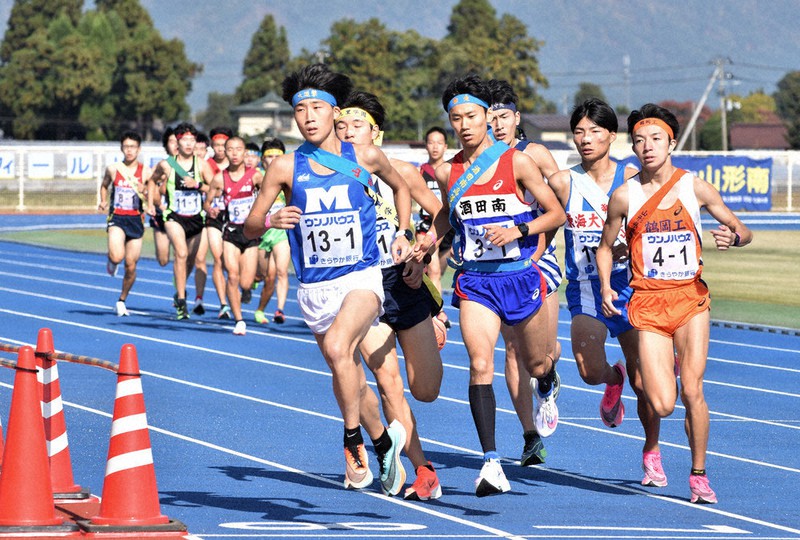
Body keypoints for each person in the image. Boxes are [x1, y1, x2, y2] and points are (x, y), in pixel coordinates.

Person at [243, 64, 412, 496]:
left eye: (317, 107)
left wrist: (404, 232)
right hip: (315, 287)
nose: (308, 116)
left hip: (361, 277)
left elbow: (402, 188)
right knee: (348, 373)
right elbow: (249, 225)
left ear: (335, 113)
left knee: (339, 348)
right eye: (300, 110)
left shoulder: (364, 156)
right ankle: (383, 442)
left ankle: (351, 441)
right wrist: (271, 220)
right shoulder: (284, 167)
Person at [597, 103, 752, 504]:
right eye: (639, 141)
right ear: (633, 147)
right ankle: (667, 367)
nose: (647, 147)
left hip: (689, 300)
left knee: (692, 390)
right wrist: (606, 286)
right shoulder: (624, 196)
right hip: (648, 305)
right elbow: (604, 247)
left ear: (672, 143)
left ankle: (698, 475)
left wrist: (733, 237)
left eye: (655, 139)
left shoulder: (694, 187)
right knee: (663, 403)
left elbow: (742, 230)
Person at [423, 74, 564, 496]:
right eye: (456, 118)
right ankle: (491, 462)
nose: (464, 125)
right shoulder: (449, 171)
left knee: (535, 363)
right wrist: (426, 240)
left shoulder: (517, 162)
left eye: (471, 116)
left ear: (487, 116)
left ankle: (547, 381)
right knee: (480, 363)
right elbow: (448, 215)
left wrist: (518, 231)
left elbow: (555, 213)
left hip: (520, 277)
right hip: (477, 282)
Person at [335, 91, 449, 501]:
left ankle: (433, 326)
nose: (348, 132)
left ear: (376, 133)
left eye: (357, 125)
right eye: (341, 126)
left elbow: (442, 215)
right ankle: (422, 469)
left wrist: (423, 252)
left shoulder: (401, 171)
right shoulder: (330, 174)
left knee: (426, 389)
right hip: (363, 286)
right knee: (388, 381)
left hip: (405, 281)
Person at [547, 98, 662, 486]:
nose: (585, 139)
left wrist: (632, 246)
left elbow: (656, 224)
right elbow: (544, 222)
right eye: (579, 132)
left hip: (631, 289)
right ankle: (613, 380)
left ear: (612, 136)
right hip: (585, 288)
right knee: (587, 370)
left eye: (594, 131)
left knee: (645, 382)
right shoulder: (563, 182)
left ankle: (651, 452)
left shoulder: (632, 177)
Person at [487, 79, 563, 467]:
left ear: (517, 118)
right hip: (497, 267)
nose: (497, 124)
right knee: (512, 349)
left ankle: (546, 378)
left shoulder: (534, 154)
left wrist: (540, 245)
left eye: (504, 116)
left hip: (537, 261)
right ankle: (529, 435)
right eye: (491, 118)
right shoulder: (479, 160)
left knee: (540, 355)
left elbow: (560, 204)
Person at [147, 122, 216, 320]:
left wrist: (198, 184)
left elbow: (215, 187)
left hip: (196, 218)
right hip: (174, 217)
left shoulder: (201, 165)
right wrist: (151, 203)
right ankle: (182, 301)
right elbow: (152, 181)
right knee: (181, 253)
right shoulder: (167, 164)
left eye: (192, 140)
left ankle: (179, 288)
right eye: (185, 140)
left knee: (191, 259)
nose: (189, 143)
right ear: (177, 142)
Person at [205, 136, 263, 335]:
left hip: (250, 232)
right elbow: (207, 202)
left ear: (245, 152)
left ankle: (247, 289)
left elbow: (268, 195)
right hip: (230, 232)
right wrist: (210, 209)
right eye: (230, 149)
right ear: (225, 152)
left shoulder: (255, 176)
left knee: (246, 282)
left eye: (239, 149)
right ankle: (239, 320)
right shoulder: (219, 178)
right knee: (232, 275)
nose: (235, 153)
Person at [98, 131, 151, 316]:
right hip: (117, 218)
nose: (129, 151)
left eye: (133, 147)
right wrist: (103, 200)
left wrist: (147, 194)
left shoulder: (146, 171)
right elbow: (104, 185)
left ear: (139, 149)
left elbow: (155, 192)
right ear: (121, 148)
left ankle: (122, 300)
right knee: (117, 256)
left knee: (131, 265)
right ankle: (112, 260)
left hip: (136, 220)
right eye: (126, 147)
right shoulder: (113, 169)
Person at [414, 126, 454, 329]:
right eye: (431, 143)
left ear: (446, 146)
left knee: (439, 267)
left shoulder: (450, 170)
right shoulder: (420, 172)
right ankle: (438, 312)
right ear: (426, 146)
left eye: (439, 143)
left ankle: (428, 304)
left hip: (448, 225)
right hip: (427, 226)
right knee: (434, 269)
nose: (435, 147)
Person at [254, 137, 291, 325]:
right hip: (261, 231)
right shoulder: (257, 176)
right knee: (264, 275)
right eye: (270, 156)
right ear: (262, 159)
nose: (274, 160)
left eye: (278, 156)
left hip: (280, 232)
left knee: (281, 272)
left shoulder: (288, 177)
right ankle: (255, 279)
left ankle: (279, 310)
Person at [198, 127, 234, 319]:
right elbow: (200, 185)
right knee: (219, 259)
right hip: (214, 216)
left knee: (233, 263)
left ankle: (243, 287)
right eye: (216, 145)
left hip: (235, 217)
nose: (220, 149)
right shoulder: (205, 165)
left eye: (223, 145)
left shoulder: (237, 164)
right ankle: (223, 304)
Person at [147, 128, 177, 268]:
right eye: (171, 141)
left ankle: (179, 280)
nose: (175, 145)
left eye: (178, 141)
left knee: (181, 254)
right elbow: (151, 188)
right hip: (161, 215)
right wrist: (157, 205)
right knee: (163, 259)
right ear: (166, 145)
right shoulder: (160, 167)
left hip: (181, 216)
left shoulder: (191, 167)